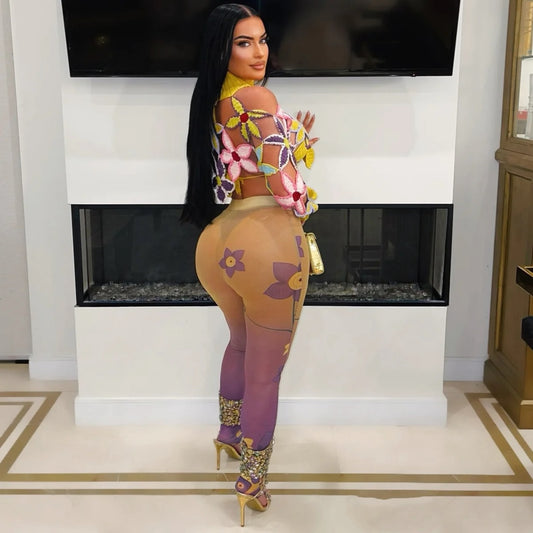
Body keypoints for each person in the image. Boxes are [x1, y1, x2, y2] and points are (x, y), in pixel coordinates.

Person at [182, 3, 318, 526]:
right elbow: (286, 183)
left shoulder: (214, 102)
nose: (259, 52)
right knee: (267, 373)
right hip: (267, 244)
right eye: (244, 42)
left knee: (239, 344)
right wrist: (301, 187)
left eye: (262, 39)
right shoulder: (258, 98)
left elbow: (241, 164)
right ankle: (253, 481)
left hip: (218, 242)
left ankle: (229, 433)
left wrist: (293, 140)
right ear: (223, 48)